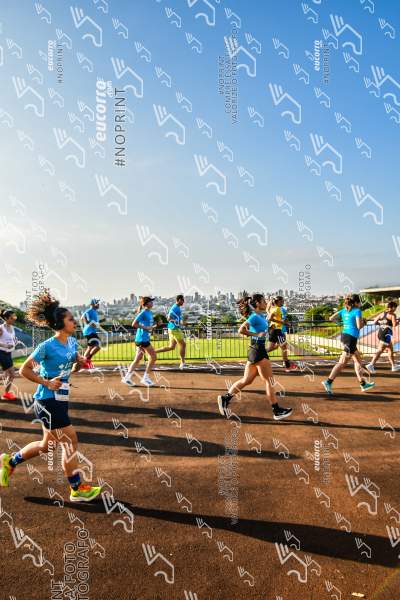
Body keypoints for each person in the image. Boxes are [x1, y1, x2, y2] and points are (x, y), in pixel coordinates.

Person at [0, 290, 102, 502]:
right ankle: (77, 489)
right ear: (59, 324)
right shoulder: (46, 346)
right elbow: (24, 369)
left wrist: (79, 363)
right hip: (47, 401)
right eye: (71, 319)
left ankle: (10, 462)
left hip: (60, 399)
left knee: (47, 446)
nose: (75, 322)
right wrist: (46, 382)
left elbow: (72, 368)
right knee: (70, 440)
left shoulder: (72, 342)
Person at [217, 293, 293, 420]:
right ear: (257, 303)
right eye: (263, 301)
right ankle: (276, 410)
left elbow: (264, 324)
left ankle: (225, 398)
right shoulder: (254, 317)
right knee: (269, 381)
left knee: (247, 380)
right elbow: (241, 330)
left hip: (255, 350)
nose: (266, 303)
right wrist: (257, 335)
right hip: (258, 350)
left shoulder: (260, 316)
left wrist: (269, 327)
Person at [322, 294, 375, 395]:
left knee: (358, 361)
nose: (360, 304)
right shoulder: (357, 311)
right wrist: (364, 322)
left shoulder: (344, 310)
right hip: (351, 339)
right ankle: (328, 382)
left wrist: (342, 324)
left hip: (345, 336)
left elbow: (331, 318)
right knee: (342, 362)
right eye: (359, 302)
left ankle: (363, 384)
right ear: (356, 303)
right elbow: (359, 326)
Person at [122, 296, 158, 387]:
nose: (152, 303)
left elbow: (148, 326)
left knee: (138, 359)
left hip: (143, 338)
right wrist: (145, 328)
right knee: (153, 356)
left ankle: (127, 378)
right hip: (142, 339)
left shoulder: (149, 313)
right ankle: (145, 378)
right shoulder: (143, 312)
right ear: (146, 303)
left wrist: (154, 327)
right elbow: (134, 324)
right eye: (150, 302)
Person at [155, 295, 188, 369]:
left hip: (172, 329)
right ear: (179, 300)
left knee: (171, 347)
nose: (183, 302)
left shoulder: (177, 307)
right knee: (183, 345)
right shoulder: (175, 307)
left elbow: (176, 319)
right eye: (182, 300)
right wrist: (180, 322)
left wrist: (181, 322)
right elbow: (169, 318)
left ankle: (153, 352)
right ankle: (182, 363)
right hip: (174, 329)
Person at [366, 301, 400, 373]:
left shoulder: (382, 314)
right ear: (393, 307)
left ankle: (393, 366)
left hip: (381, 332)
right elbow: (394, 325)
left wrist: (382, 324)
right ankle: (371, 364)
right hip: (386, 334)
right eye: (395, 308)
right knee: (380, 350)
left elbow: (374, 322)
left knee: (390, 349)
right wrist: (399, 321)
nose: (395, 309)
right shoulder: (392, 315)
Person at [267, 296, 298, 372]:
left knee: (270, 348)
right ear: (278, 302)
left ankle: (258, 354)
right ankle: (287, 365)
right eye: (282, 301)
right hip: (276, 330)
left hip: (273, 330)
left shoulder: (273, 308)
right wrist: (282, 322)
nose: (283, 302)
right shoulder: (277, 308)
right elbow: (270, 318)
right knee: (284, 347)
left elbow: (269, 313)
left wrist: (283, 322)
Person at [0, 308, 18, 400]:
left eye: (14, 317)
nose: (14, 319)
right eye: (12, 318)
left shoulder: (12, 328)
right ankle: (6, 394)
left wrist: (14, 343)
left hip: (8, 353)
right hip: (1, 353)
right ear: (6, 318)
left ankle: (6, 394)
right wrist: (5, 345)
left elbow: (11, 339)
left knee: (9, 374)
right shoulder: (1, 328)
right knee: (11, 374)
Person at [81, 298, 101, 369]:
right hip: (90, 331)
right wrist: (92, 325)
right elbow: (83, 318)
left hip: (90, 331)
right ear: (93, 304)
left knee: (90, 348)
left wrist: (95, 324)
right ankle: (87, 360)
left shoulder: (94, 311)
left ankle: (84, 363)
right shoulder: (89, 310)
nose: (98, 305)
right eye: (97, 303)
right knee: (98, 346)